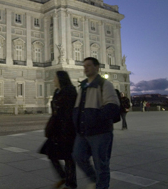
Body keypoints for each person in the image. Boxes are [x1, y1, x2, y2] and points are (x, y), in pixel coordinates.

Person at [72, 57, 120, 189]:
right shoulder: (83, 86)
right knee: (78, 155)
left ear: (97, 67)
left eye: (88, 65)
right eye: (84, 66)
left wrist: (96, 119)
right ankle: (94, 179)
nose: (85, 68)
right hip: (83, 131)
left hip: (100, 132)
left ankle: (101, 186)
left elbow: (113, 106)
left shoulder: (105, 84)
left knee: (101, 165)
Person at [40, 71, 77, 189]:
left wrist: (66, 128)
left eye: (55, 78)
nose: (53, 80)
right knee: (51, 153)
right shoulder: (57, 92)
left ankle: (71, 184)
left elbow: (69, 112)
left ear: (61, 79)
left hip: (67, 129)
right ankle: (64, 177)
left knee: (68, 157)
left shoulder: (70, 91)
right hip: (56, 128)